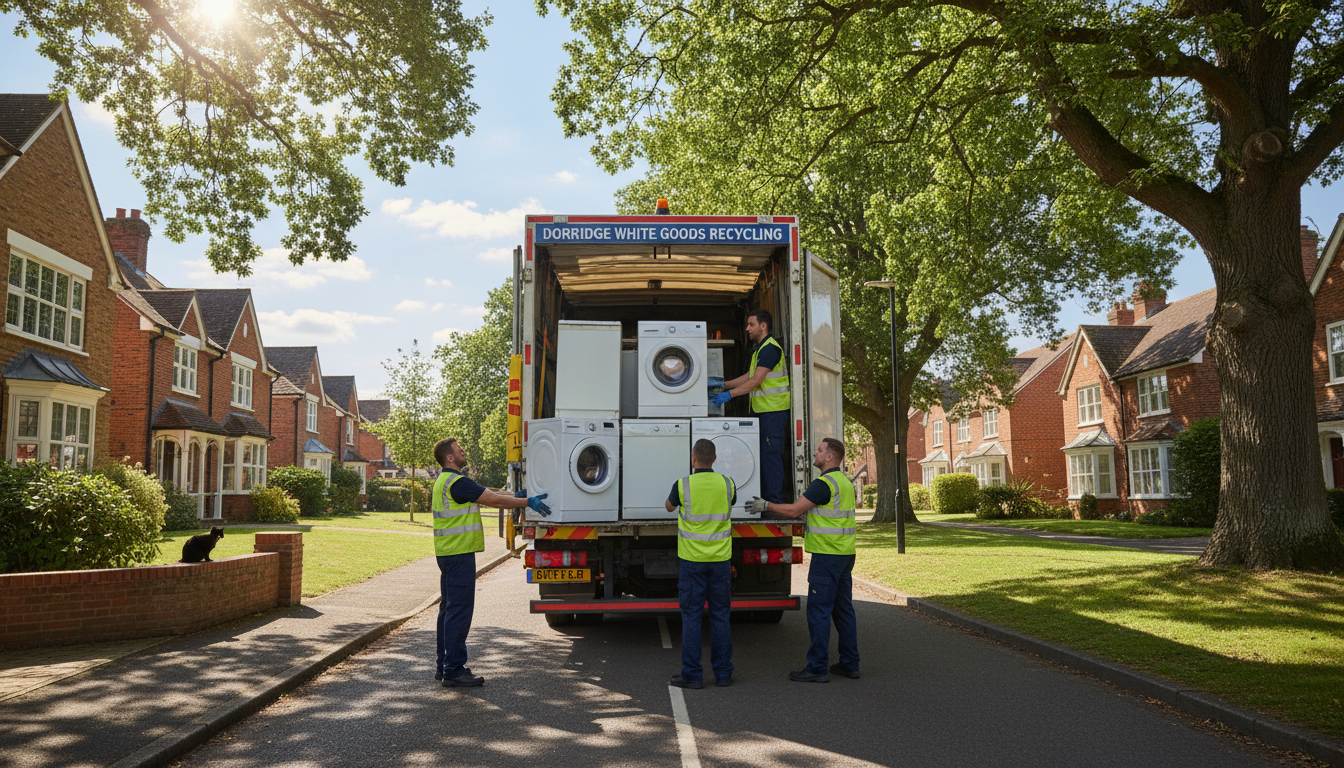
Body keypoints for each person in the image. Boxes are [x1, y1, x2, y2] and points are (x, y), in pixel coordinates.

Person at [432, 437, 552, 687]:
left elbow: (491, 493)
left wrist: (514, 495)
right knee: (458, 611)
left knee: (448, 610)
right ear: (450, 457)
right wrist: (526, 501)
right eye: (460, 450)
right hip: (459, 555)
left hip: (448, 554)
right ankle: (453, 669)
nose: (464, 452)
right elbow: (493, 501)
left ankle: (444, 666)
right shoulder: (457, 482)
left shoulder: (446, 481)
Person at [748, 437, 859, 683]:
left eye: (820, 450)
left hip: (826, 556)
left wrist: (766, 504)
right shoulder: (845, 482)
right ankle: (850, 664)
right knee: (843, 610)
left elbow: (794, 510)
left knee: (819, 611)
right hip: (844, 554)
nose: (815, 453)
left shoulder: (823, 484)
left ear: (830, 457)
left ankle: (817, 668)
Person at [665, 438, 737, 689]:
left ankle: (693, 676)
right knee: (720, 617)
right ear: (714, 459)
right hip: (720, 561)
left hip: (692, 562)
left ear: (693, 459)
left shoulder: (682, 485)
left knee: (692, 618)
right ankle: (723, 674)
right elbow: (732, 503)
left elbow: (669, 508)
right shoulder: (728, 484)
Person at [712, 309, 789, 503]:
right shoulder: (761, 349)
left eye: (751, 324)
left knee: (770, 458)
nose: (747, 328)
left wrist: (728, 395)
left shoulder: (770, 348)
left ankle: (775, 504)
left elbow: (756, 380)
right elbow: (749, 376)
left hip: (773, 412)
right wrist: (723, 384)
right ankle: (767, 499)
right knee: (763, 457)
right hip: (764, 413)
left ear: (763, 326)